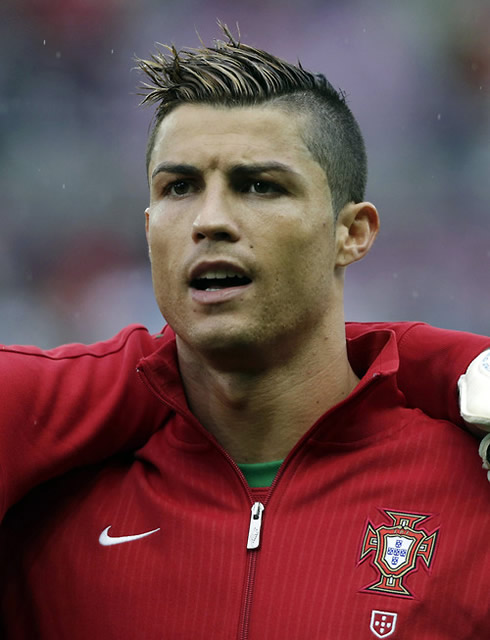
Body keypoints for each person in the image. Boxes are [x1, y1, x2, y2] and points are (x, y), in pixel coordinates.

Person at [1, 27, 489, 639]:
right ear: (150, 227)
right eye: (179, 188)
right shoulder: (42, 490)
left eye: (260, 186)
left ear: (353, 233)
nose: (209, 221)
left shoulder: (472, 482)